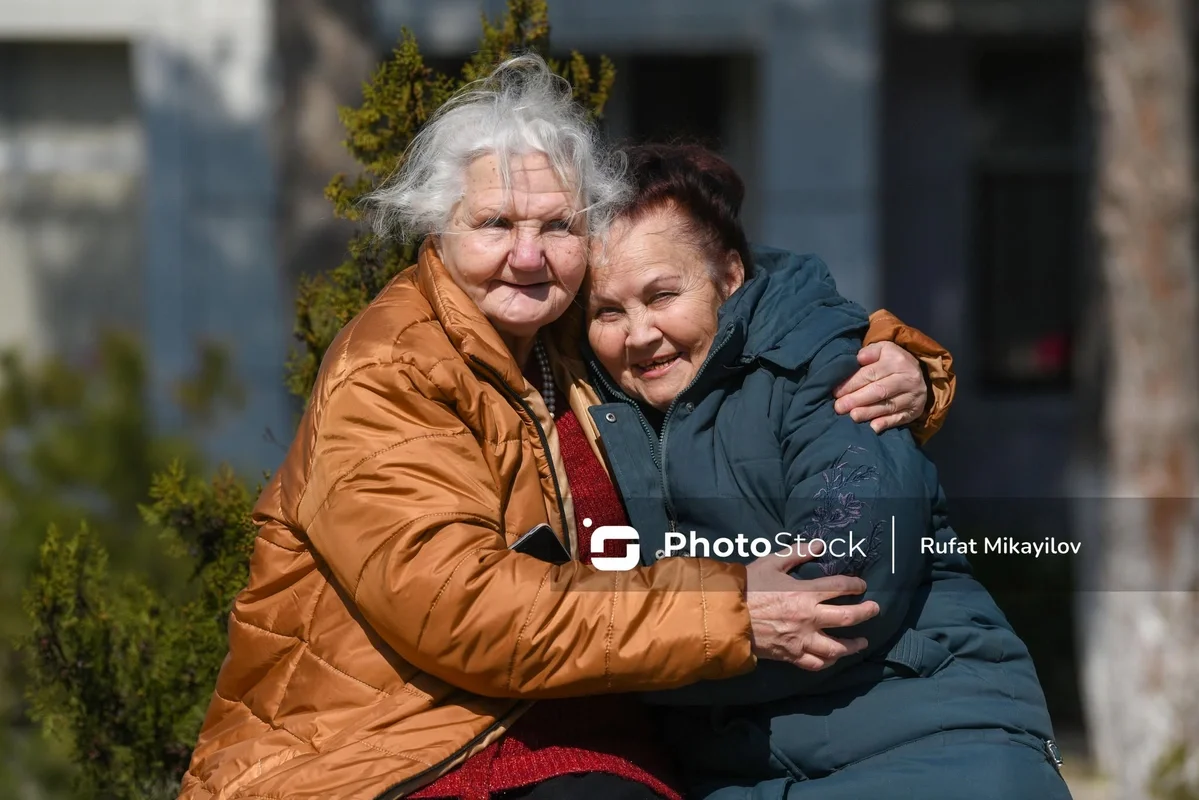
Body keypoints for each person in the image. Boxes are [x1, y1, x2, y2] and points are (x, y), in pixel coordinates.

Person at [178, 56, 953, 800]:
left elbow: (733, 288)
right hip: (404, 746)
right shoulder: (390, 371)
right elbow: (462, 609)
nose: (527, 255)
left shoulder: (577, 330)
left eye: (556, 226)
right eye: (494, 224)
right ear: (437, 230)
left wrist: (909, 366)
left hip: (600, 729)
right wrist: (727, 614)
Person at [579, 142, 1073, 799]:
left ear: (728, 276)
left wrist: (646, 645)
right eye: (607, 312)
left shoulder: (831, 369)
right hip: (727, 769)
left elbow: (841, 587)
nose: (638, 333)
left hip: (924, 731)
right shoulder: (587, 401)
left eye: (661, 295)